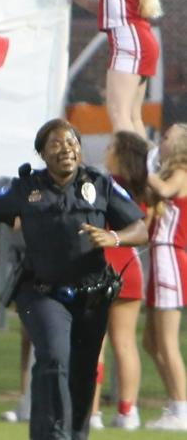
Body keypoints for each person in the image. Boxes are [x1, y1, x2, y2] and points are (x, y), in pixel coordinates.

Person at [0, 118, 148, 440]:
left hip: (91, 295)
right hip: (42, 293)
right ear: (42, 152)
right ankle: (51, 435)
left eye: (71, 143)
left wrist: (114, 237)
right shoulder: (25, 188)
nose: (65, 149)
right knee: (54, 357)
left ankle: (74, 434)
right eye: (56, 144)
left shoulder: (100, 184)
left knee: (83, 372)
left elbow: (140, 228)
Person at [67, 0, 162, 135]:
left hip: (131, 42)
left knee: (119, 114)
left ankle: (130, 167)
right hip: (138, 40)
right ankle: (144, 167)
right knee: (132, 116)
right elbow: (107, 8)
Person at [92, 130, 150, 429]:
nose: (106, 149)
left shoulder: (103, 185)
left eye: (111, 146)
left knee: (95, 343)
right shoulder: (144, 187)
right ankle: (128, 411)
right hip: (131, 267)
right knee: (125, 343)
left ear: (121, 153)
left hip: (104, 266)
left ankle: (92, 414)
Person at [142, 129, 187, 430]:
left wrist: (144, 165)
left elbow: (164, 189)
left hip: (171, 255)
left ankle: (182, 409)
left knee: (168, 341)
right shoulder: (168, 172)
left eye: (168, 136)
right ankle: (174, 402)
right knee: (150, 341)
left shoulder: (182, 171)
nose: (163, 140)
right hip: (159, 256)